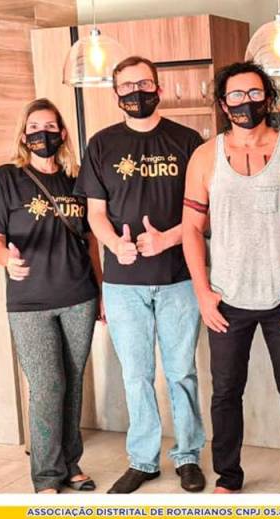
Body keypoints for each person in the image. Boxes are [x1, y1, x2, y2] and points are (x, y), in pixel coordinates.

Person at [182, 62, 280, 494]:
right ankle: (228, 476)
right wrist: (203, 293)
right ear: (224, 105)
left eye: (255, 93)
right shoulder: (204, 157)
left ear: (269, 98)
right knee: (225, 392)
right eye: (236, 95)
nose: (246, 102)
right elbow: (190, 229)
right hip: (225, 298)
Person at [75, 56, 207, 494]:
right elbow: (95, 213)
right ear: (116, 94)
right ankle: (143, 460)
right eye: (128, 86)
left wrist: (167, 239)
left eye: (145, 84)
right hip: (123, 284)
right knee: (136, 376)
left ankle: (188, 456)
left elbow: (204, 212)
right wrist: (117, 245)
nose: (137, 92)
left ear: (159, 88)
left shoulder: (187, 142)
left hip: (179, 277)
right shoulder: (101, 144)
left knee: (181, 373)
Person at [0, 98, 102, 494]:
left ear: (62, 133)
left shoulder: (77, 179)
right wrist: (7, 260)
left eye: (50, 127)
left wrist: (100, 291)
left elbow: (90, 241)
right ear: (23, 135)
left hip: (79, 295)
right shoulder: (7, 178)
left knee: (73, 382)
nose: (42, 134)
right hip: (29, 301)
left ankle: (70, 463)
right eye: (34, 127)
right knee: (48, 385)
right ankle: (47, 476)